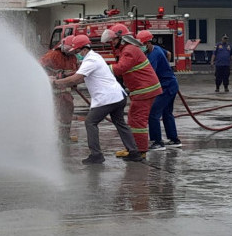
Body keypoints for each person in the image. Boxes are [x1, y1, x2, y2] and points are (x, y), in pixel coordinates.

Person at [53, 34, 142, 164]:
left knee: (90, 122)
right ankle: (134, 152)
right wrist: (63, 75)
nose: (76, 55)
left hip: (107, 98)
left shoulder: (90, 60)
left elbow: (77, 78)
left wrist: (56, 82)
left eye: (77, 51)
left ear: (84, 49)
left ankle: (96, 155)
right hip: (118, 96)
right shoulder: (94, 57)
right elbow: (79, 73)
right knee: (120, 123)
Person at [101, 23, 162, 156]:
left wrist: (101, 68)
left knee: (137, 120)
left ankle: (139, 151)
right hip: (142, 90)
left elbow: (120, 68)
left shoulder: (129, 50)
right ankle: (133, 147)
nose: (112, 43)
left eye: (114, 40)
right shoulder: (128, 49)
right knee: (133, 118)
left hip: (145, 90)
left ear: (121, 38)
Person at [136, 30, 182, 150]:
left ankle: (157, 142)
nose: (140, 48)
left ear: (148, 43)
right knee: (167, 113)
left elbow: (149, 74)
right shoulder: (157, 48)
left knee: (153, 113)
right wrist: (166, 67)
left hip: (166, 86)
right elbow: (169, 54)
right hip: (171, 83)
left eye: (142, 45)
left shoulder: (153, 56)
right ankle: (174, 140)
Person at [39, 35, 78, 143]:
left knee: (67, 115)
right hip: (54, 92)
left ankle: (64, 136)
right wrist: (47, 77)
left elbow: (76, 72)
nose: (71, 52)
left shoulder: (73, 57)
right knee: (56, 115)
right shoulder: (53, 55)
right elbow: (38, 67)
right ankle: (54, 137)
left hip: (66, 93)